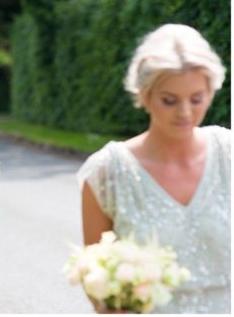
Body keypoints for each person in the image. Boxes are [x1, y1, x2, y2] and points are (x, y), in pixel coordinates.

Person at [77, 24, 229, 313]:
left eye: (197, 99)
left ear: (211, 91)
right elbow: (98, 289)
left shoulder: (229, 155)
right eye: (169, 100)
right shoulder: (106, 173)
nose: (185, 112)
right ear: (144, 95)